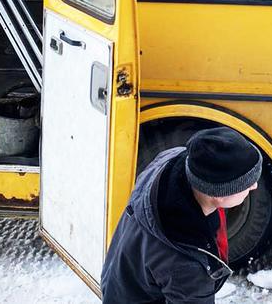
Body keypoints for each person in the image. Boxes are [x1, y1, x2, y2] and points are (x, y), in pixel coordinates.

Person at [101, 127, 262, 303]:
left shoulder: (172, 162)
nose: (254, 187)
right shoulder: (187, 267)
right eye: (247, 184)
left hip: (119, 280)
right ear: (220, 194)